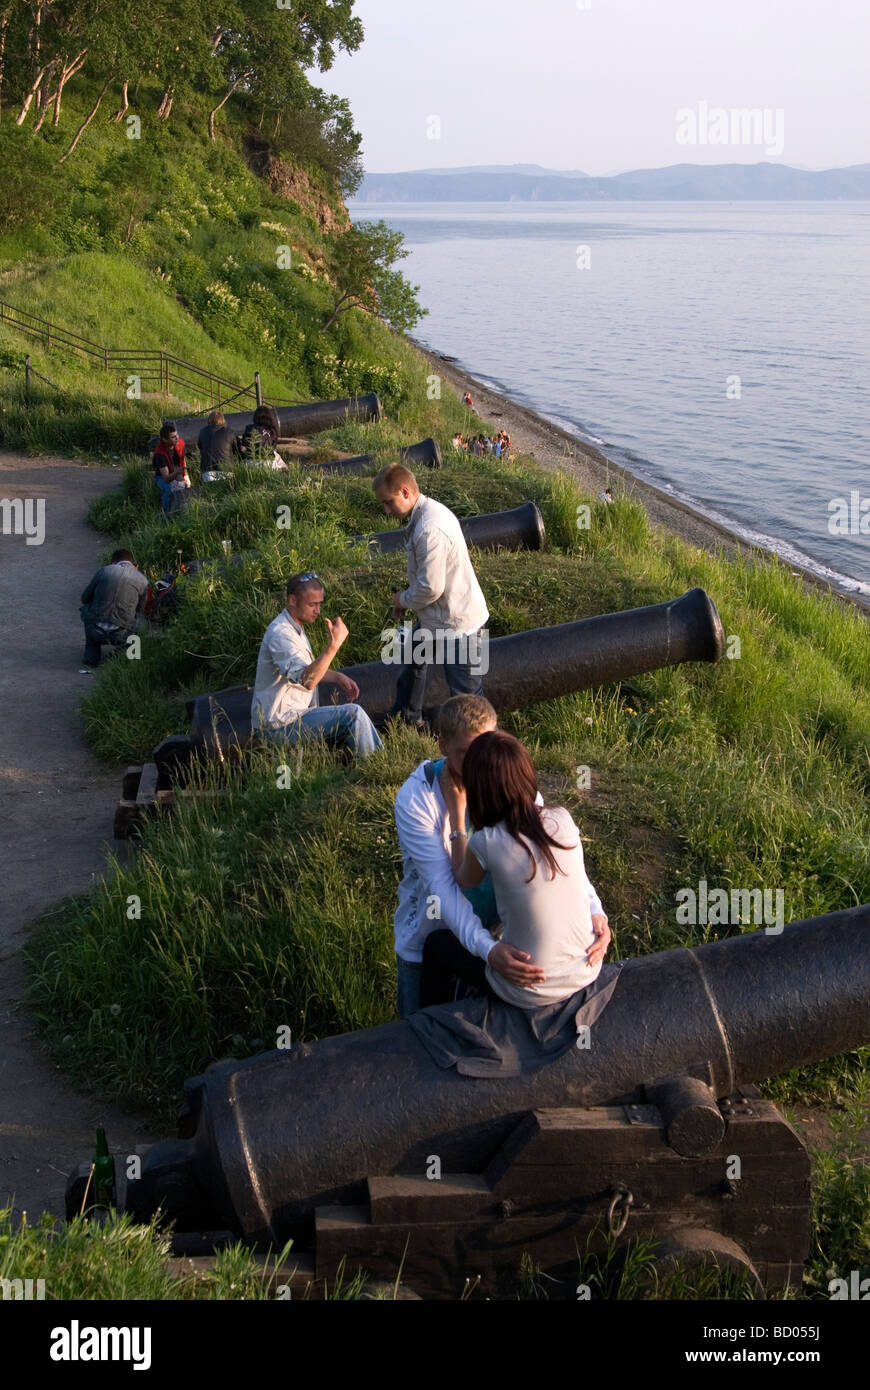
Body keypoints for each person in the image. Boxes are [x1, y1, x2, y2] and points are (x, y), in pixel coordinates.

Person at [392, 694, 609, 1017]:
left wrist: (595, 908)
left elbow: (553, 851)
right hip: (435, 926)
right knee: (416, 1027)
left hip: (496, 934)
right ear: (442, 746)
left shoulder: (503, 777)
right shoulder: (417, 800)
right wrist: (488, 950)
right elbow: (444, 889)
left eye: (486, 748)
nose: (480, 764)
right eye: (466, 753)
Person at [436, 728, 610, 1009]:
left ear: (478, 788)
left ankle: (432, 1025)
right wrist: (597, 910)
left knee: (438, 944)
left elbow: (462, 878)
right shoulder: (561, 818)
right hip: (588, 969)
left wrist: (457, 819)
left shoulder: (487, 841)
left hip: (529, 990)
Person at [372, 463, 489, 733]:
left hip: (459, 625)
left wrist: (402, 600)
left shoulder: (429, 529)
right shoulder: (425, 513)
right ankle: (407, 720)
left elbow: (430, 588)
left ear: (405, 491)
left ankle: (484, 750)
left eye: (388, 503)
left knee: (469, 698)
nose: (386, 510)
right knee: (412, 663)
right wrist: (410, 601)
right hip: (436, 619)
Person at [251, 571, 383, 760]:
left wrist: (337, 676)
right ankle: (373, 768)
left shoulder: (294, 628)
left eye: (319, 604)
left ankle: (367, 764)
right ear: (292, 600)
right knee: (353, 714)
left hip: (291, 718)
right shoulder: (281, 634)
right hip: (277, 727)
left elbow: (306, 669)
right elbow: (308, 681)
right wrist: (334, 646)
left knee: (351, 715)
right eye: (312, 604)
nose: (318, 610)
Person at [79, 548, 149, 672]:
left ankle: (91, 657)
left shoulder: (104, 571)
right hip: (122, 634)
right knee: (144, 623)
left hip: (95, 630)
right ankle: (130, 656)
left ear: (113, 562)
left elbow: (85, 598)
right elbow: (140, 610)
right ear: (135, 565)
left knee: (87, 610)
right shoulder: (142, 580)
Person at [152, 421, 189, 513]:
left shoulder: (180, 443)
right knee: (169, 487)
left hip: (176, 472)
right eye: (173, 437)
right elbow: (166, 478)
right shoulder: (160, 454)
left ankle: (182, 510)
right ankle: (166, 512)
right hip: (162, 477)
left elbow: (182, 459)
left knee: (183, 485)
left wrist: (185, 476)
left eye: (177, 435)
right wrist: (177, 473)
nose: (177, 438)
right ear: (164, 440)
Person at [198, 410, 235, 481]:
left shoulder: (202, 432)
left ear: (209, 420)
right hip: (227, 469)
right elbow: (236, 449)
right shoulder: (230, 432)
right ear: (223, 420)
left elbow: (200, 448)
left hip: (208, 471)